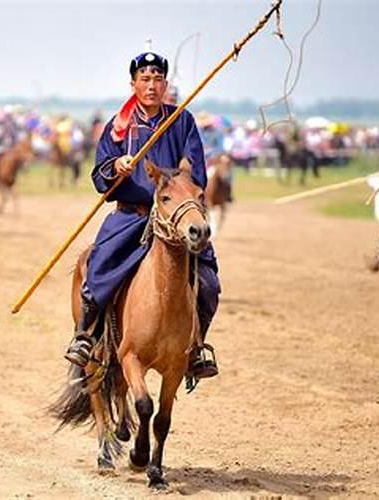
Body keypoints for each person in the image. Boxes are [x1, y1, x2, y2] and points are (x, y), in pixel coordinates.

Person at [64, 52, 220, 387]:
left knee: (208, 283)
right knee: (98, 267)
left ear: (165, 84)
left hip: (173, 216)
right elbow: (99, 175)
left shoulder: (182, 120)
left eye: (158, 79)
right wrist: (116, 167)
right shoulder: (117, 127)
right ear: (133, 84)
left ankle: (196, 349)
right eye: (145, 79)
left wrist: (176, 181)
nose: (151, 85)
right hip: (130, 216)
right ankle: (84, 337)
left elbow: (196, 170)